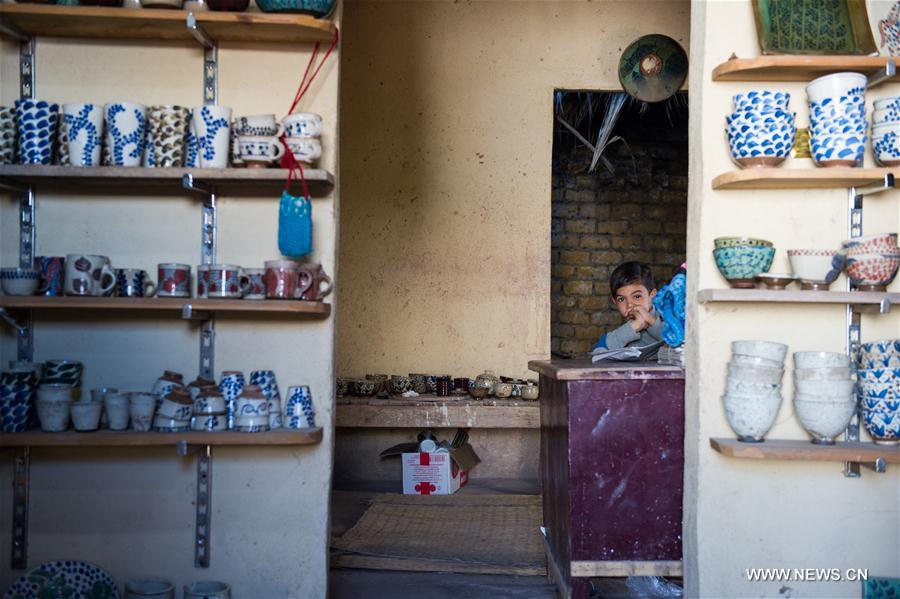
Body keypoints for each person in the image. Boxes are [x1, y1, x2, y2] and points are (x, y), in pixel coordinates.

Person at [593, 261, 665, 351]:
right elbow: (598, 350)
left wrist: (650, 321)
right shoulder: (625, 330)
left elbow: (679, 342)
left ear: (652, 294)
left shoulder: (668, 321)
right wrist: (634, 326)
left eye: (637, 296)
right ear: (615, 302)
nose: (629, 304)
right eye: (621, 299)